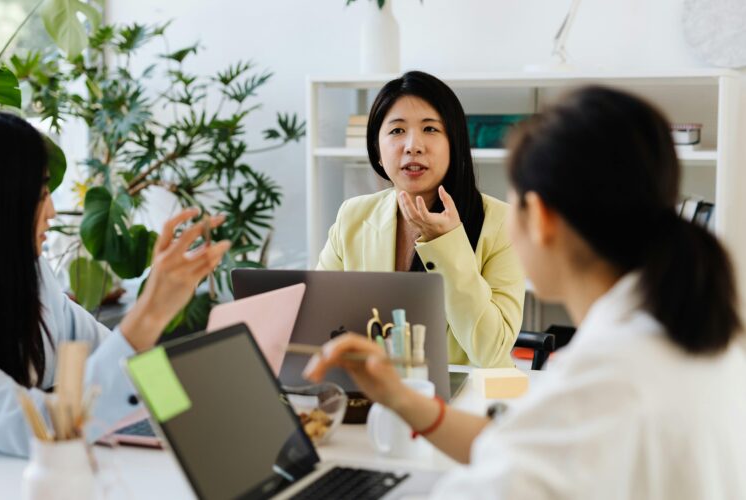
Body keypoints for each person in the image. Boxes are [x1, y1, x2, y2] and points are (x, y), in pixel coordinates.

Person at [305, 86, 746, 499]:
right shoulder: (683, 330)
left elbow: (505, 470)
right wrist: (402, 399)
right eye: (397, 130)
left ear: (540, 217)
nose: (412, 144)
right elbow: (523, 443)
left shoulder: (604, 379)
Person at [0, 108, 230, 480]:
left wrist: (191, 415)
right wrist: (149, 315)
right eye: (39, 193)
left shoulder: (34, 281)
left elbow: (116, 361)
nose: (51, 211)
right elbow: (42, 427)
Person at [317, 71, 525, 368]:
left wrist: (447, 243)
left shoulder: (503, 223)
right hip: (374, 393)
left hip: (468, 400)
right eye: (396, 131)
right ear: (377, 150)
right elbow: (319, 318)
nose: (413, 145)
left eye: (430, 129)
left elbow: (490, 352)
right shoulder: (352, 216)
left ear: (454, 143)